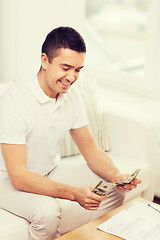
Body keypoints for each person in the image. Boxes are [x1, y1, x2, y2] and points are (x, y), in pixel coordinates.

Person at [0, 26, 141, 240]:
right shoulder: (14, 102)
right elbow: (18, 176)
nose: (72, 77)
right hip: (7, 180)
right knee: (47, 213)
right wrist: (74, 193)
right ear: (45, 61)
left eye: (78, 70)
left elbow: (91, 150)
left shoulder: (72, 98)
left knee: (110, 189)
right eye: (66, 67)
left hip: (48, 171)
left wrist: (117, 176)